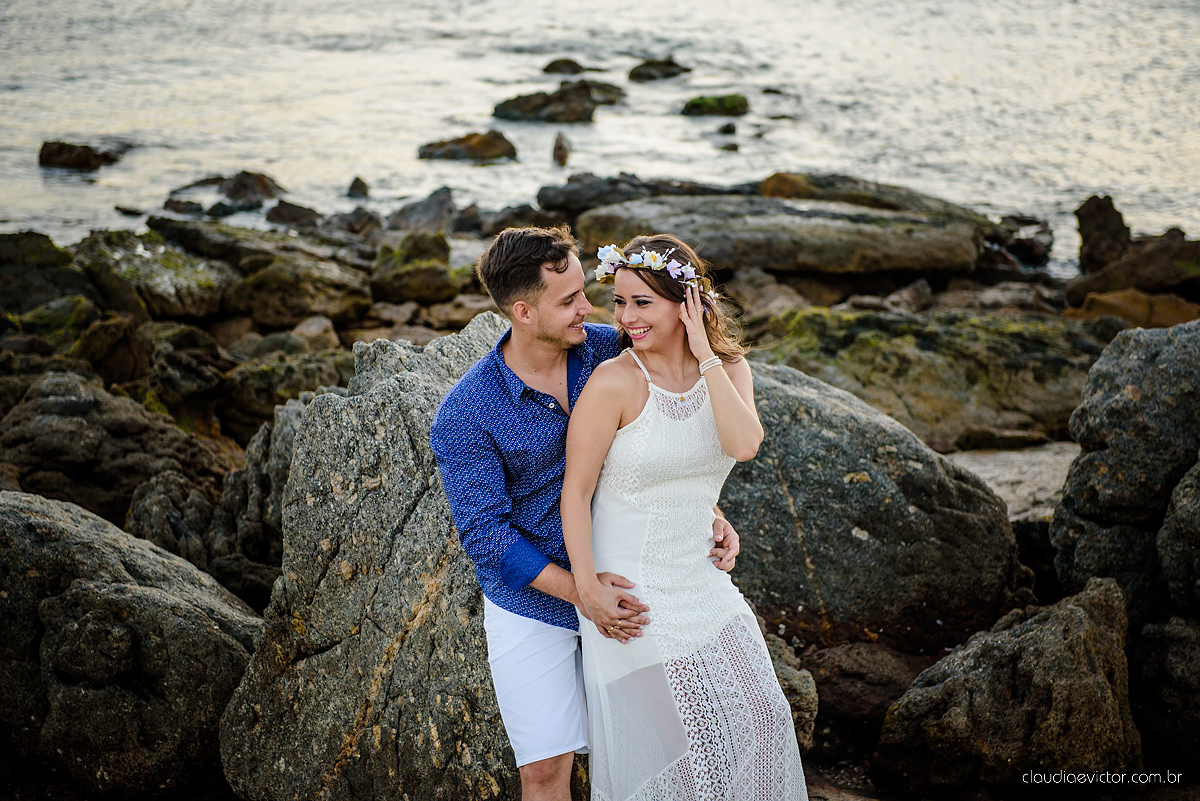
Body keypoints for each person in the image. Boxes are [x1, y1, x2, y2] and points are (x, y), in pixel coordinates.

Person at [429, 226, 742, 801]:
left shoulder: (608, 349)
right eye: (570, 299)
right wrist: (582, 591)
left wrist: (706, 509)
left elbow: (659, 438)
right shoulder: (466, 413)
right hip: (534, 599)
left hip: (631, 579)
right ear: (523, 312)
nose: (590, 309)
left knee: (672, 745)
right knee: (546, 773)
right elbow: (487, 537)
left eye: (584, 291)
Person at [561, 234, 809, 801]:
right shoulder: (615, 381)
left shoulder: (728, 369)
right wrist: (586, 588)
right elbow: (575, 494)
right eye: (619, 302)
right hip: (632, 595)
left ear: (687, 302)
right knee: (686, 755)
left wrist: (704, 352)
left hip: (703, 579)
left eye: (642, 302)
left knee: (764, 720)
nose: (625, 318)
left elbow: (741, 444)